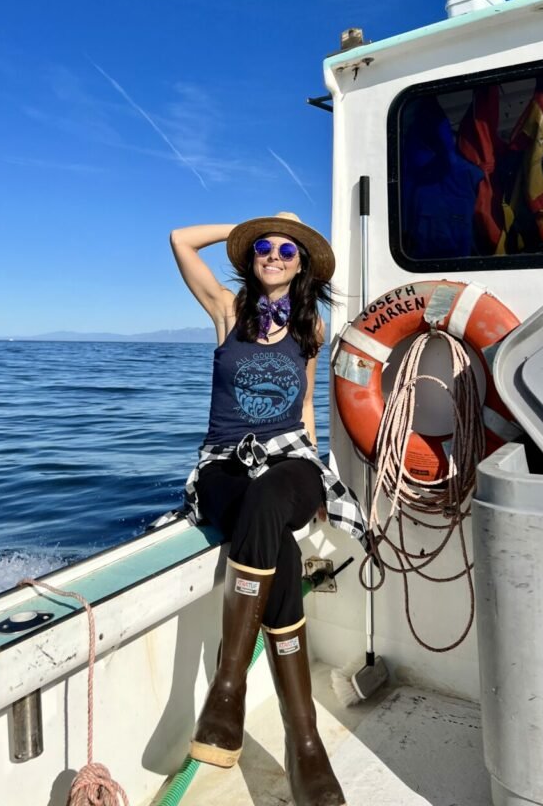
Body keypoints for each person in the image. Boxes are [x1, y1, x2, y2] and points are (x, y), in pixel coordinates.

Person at [170, 212, 368, 806]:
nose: (275, 254)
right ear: (251, 256)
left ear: (302, 263)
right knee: (270, 531)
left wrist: (318, 478)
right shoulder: (227, 314)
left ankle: (227, 692)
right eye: (265, 246)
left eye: (288, 248)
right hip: (225, 463)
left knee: (271, 497)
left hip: (290, 459)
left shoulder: (313, 325)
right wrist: (255, 221)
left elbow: (306, 407)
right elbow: (180, 239)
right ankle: (304, 742)